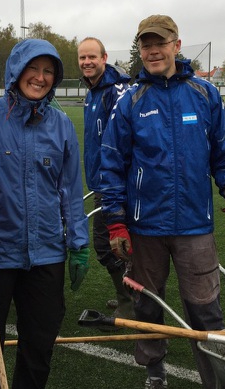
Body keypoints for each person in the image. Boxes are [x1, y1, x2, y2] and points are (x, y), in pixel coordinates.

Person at [100, 15, 225, 389]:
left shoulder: (205, 94)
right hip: (145, 226)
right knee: (148, 307)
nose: (152, 51)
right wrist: (116, 222)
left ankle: (214, 379)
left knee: (205, 310)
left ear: (176, 46)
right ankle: (155, 373)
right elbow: (111, 163)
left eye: (160, 43)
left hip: (195, 226)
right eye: (145, 45)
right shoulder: (130, 100)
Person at [0, 38, 90, 389]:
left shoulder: (62, 124)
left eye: (49, 71)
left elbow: (70, 189)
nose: (40, 77)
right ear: (16, 71)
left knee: (40, 346)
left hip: (47, 254)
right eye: (33, 68)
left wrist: (78, 244)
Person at [77, 37, 135, 321]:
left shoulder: (117, 91)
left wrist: (117, 184)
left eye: (92, 57)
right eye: (82, 58)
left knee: (107, 244)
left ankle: (130, 301)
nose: (87, 62)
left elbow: (124, 142)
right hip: (101, 182)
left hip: (115, 185)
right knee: (116, 244)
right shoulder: (93, 93)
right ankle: (131, 296)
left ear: (104, 57)